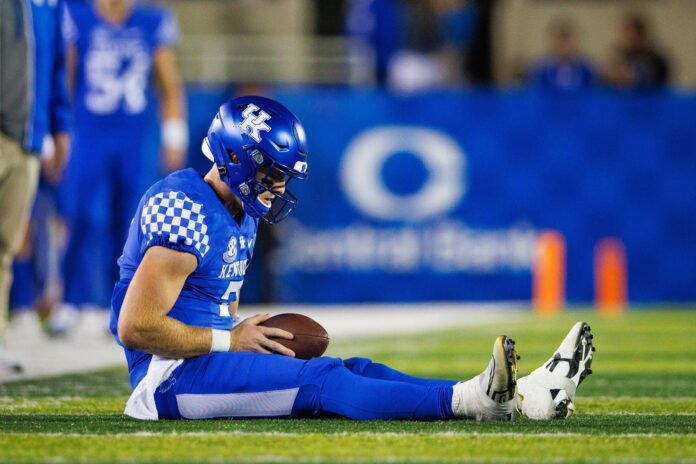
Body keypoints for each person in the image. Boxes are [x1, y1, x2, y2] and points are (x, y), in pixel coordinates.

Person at [110, 96, 594, 421]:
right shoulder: (185, 209)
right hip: (167, 380)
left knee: (355, 367)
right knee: (325, 380)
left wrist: (237, 332)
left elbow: (204, 300)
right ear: (236, 160)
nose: (279, 189)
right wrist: (228, 339)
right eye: (273, 175)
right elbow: (135, 327)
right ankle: (471, 401)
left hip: (198, 361)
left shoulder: (237, 208)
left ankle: (509, 397)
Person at [50, 0, 187, 334]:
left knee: (131, 224)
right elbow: (64, 80)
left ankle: (122, 303)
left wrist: (174, 135)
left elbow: (168, 83)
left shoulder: (151, 20)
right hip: (89, 134)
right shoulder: (76, 15)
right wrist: (58, 133)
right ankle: (70, 299)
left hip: (133, 138)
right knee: (80, 216)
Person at [0, 0, 72, 372]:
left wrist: (59, 127)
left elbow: (56, 66)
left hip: (28, 136)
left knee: (5, 246)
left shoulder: (49, 4)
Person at [603, 13, 670, 90]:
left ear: (641, 34)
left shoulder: (656, 59)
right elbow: (606, 80)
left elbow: (661, 84)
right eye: (624, 33)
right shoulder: (618, 55)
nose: (626, 38)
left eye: (630, 33)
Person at [530, 18, 595, 92]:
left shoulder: (586, 68)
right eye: (560, 41)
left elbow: (592, 91)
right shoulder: (541, 67)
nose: (564, 46)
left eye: (567, 41)